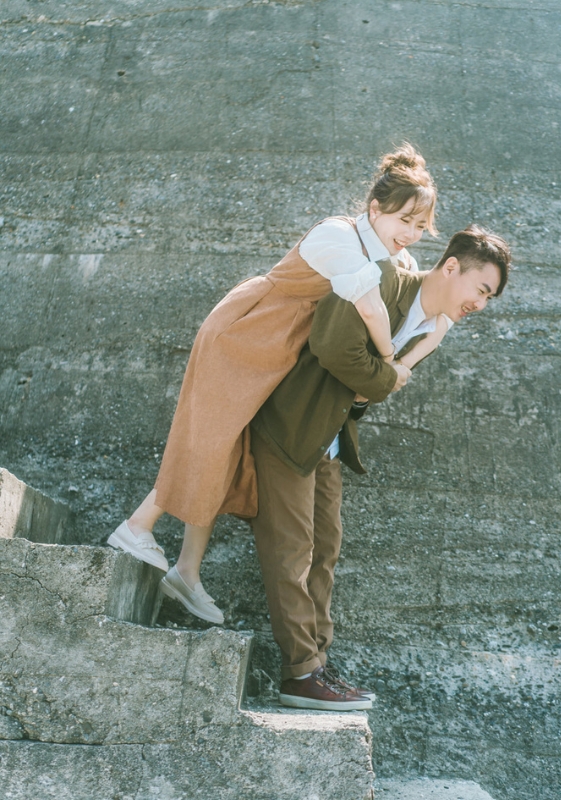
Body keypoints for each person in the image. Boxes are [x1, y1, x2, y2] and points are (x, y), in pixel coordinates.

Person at [108, 144, 438, 625]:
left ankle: (186, 570)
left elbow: (408, 281)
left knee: (231, 450)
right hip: (246, 335)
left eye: (419, 227)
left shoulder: (381, 252)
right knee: (211, 442)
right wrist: (390, 364)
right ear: (374, 209)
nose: (409, 235)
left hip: (275, 352)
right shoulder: (338, 235)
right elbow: (370, 307)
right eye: (404, 220)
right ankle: (137, 528)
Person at [248, 226, 510, 709]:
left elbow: (366, 391)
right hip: (290, 423)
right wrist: (387, 377)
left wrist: (379, 382)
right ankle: (300, 672)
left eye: (489, 298)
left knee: (324, 551)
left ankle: (317, 668)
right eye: (482, 289)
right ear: (451, 266)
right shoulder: (381, 281)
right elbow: (332, 346)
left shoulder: (433, 329)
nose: (482, 304)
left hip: (329, 438)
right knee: (292, 551)